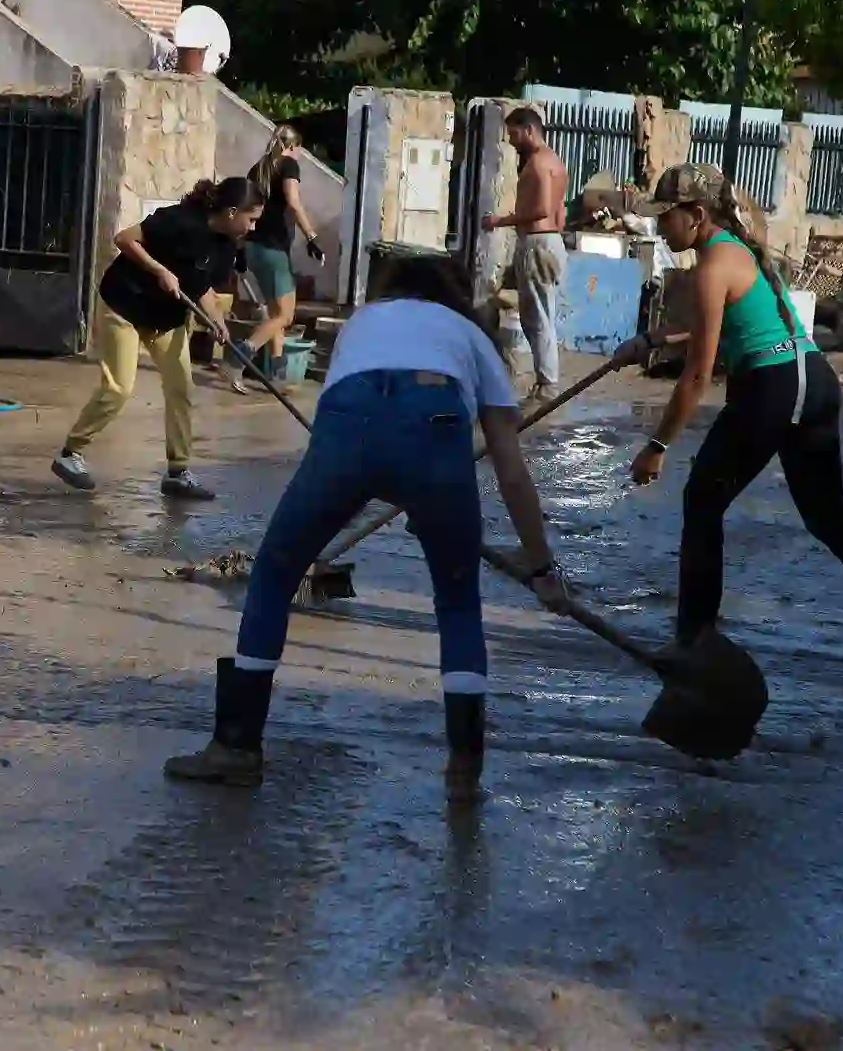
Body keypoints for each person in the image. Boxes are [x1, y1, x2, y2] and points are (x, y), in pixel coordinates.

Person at [163, 256, 571, 802]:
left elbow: (346, 419)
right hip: (436, 433)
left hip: (348, 430)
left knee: (273, 577)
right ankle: (464, 771)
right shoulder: (472, 336)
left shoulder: (363, 323)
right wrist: (541, 565)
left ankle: (235, 747)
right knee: (456, 604)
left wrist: (374, 474)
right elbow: (511, 469)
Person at [617, 162, 843, 685]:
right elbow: (719, 328)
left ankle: (693, 642)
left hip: (773, 388)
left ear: (696, 215)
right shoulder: (736, 254)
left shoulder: (712, 266)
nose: (659, 226)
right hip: (810, 380)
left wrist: (657, 444)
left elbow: (698, 375)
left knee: (702, 500)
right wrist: (652, 340)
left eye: (665, 216)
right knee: (830, 521)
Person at [53, 177, 263, 501]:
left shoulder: (226, 246)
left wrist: (218, 322)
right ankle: (70, 453)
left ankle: (178, 473)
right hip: (125, 305)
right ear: (233, 211)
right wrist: (158, 270)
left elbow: (203, 287)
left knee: (181, 388)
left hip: (166, 318)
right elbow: (124, 239)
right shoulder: (180, 220)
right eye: (251, 219)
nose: (252, 227)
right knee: (119, 388)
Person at [226, 126, 324, 394]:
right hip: (273, 250)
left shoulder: (258, 168)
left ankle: (277, 377)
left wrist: (239, 248)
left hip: (254, 248)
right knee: (285, 315)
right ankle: (239, 357)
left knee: (274, 314)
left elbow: (246, 210)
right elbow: (293, 202)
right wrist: (312, 237)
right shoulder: (289, 164)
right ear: (294, 146)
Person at [482, 106, 569, 403]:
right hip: (549, 241)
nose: (511, 141)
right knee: (530, 311)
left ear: (529, 130)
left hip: (537, 243)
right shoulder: (555, 162)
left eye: (514, 134)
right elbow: (560, 212)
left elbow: (543, 209)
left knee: (537, 319)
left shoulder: (538, 163)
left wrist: (500, 221)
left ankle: (547, 387)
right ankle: (519, 374)